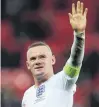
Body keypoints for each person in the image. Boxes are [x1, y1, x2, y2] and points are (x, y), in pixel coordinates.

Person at [22, 1, 88, 107]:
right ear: (28, 65)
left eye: (42, 57)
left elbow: (75, 61)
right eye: (33, 59)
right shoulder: (27, 95)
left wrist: (79, 34)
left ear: (52, 60)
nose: (37, 61)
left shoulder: (63, 80)